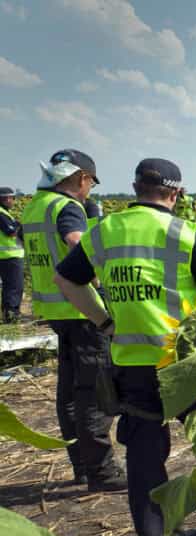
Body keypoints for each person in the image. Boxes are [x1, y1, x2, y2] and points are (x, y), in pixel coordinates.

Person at [55, 158, 196, 536]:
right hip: (183, 361)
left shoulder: (105, 231)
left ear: (135, 188)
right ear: (176, 194)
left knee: (143, 450)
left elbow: (67, 280)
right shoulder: (183, 232)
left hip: (131, 361)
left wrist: (104, 320)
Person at [21, 150, 126, 489]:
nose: (90, 191)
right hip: (83, 311)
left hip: (55, 311)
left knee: (69, 392)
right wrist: (102, 278)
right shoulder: (66, 208)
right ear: (82, 178)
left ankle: (82, 465)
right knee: (94, 392)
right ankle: (102, 471)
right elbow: (76, 241)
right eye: (91, 184)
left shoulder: (36, 206)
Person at [0, 187, 25, 322]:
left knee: (10, 286)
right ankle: (11, 315)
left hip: (8, 255)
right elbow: (11, 231)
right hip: (10, 255)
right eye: (12, 198)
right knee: (15, 286)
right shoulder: (1, 213)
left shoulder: (5, 213)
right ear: (5, 198)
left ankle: (8, 314)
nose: (13, 201)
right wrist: (19, 225)